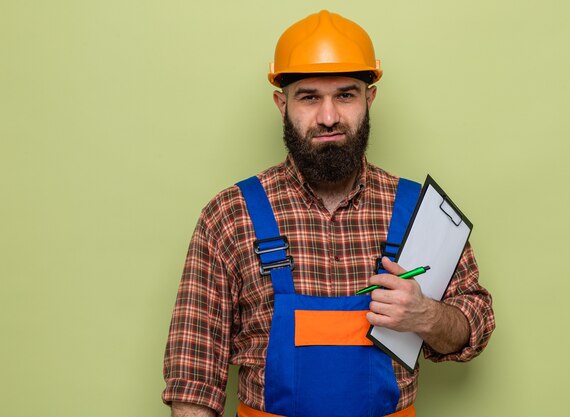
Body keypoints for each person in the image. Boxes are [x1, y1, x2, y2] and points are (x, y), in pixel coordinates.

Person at [162, 10, 495, 417]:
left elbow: (474, 327)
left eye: (345, 94)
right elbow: (193, 377)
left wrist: (426, 315)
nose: (329, 116)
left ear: (369, 98)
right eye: (309, 97)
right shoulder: (230, 216)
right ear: (280, 103)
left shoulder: (417, 213)